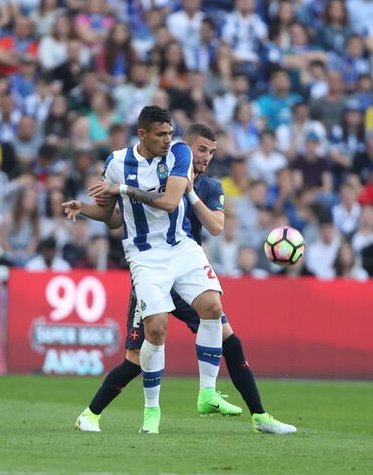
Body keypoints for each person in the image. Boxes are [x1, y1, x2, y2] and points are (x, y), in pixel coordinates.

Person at [68, 123, 295, 435]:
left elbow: (216, 226)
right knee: (135, 360)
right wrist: (86, 209)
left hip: (186, 275)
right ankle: (90, 414)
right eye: (201, 150)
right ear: (185, 148)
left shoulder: (210, 188)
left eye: (212, 152)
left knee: (230, 341)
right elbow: (116, 218)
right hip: (152, 272)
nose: (206, 157)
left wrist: (191, 193)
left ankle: (259, 416)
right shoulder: (157, 173)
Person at [62, 106, 227, 435]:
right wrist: (86, 210)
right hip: (144, 255)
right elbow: (113, 219)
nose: (168, 140)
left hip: (180, 245)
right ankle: (151, 412)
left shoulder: (179, 153)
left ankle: (207, 392)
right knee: (156, 330)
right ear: (142, 135)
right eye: (161, 134)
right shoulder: (116, 163)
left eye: (170, 132)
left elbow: (169, 202)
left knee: (213, 307)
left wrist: (122, 191)